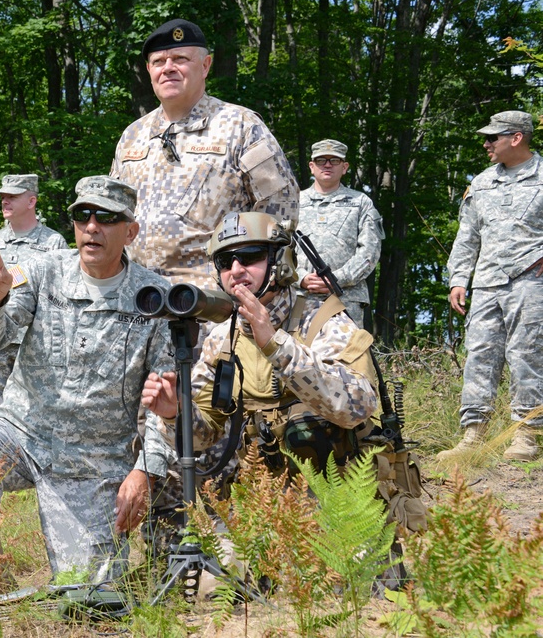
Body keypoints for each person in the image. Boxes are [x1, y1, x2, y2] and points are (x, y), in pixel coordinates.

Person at [0, 176, 174, 586]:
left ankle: (88, 579)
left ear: (130, 231)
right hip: (21, 434)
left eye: (107, 218)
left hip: (92, 461)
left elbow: (165, 401)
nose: (92, 227)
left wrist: (144, 470)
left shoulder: (155, 297)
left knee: (92, 594)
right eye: (83, 216)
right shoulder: (42, 271)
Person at [140, 212, 426, 546]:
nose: (236, 271)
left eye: (249, 257)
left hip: (345, 503)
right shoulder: (223, 339)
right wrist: (175, 413)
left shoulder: (323, 321)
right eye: (224, 262)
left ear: (281, 262)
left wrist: (276, 345)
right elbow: (203, 437)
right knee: (217, 590)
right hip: (265, 505)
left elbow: (356, 408)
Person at [110, 18, 299, 293]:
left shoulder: (241, 126)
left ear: (205, 65)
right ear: (149, 70)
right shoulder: (132, 136)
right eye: (159, 62)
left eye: (180, 58)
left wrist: (264, 288)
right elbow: (113, 215)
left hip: (213, 304)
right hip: (138, 299)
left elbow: (280, 211)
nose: (168, 68)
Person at [438, 111, 543, 463]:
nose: (486, 144)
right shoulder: (481, 183)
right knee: (479, 357)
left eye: (492, 138)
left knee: (527, 356)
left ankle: (526, 434)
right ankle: (473, 435)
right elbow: (467, 237)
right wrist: (458, 279)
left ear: (516, 138)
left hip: (530, 281)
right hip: (485, 284)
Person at [0, 174, 68, 412]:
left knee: (35, 412)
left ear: (31, 202)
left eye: (12, 197)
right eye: (3, 197)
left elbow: (62, 300)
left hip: (36, 345)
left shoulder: (53, 243)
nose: (5, 202)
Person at [295, 139, 384, 328]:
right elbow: (278, 250)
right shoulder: (293, 203)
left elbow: (370, 252)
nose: (327, 164)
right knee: (297, 355)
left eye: (334, 160)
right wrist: (299, 277)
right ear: (312, 167)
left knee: (346, 356)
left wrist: (338, 278)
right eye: (321, 160)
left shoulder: (361, 202)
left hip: (345, 299)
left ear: (344, 167)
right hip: (299, 298)